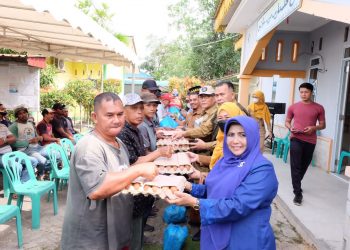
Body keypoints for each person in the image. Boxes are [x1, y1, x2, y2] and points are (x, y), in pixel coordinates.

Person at [61, 92, 158, 250]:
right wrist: (138, 170)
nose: (117, 120)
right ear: (94, 117)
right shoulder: (89, 146)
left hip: (116, 233)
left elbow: (122, 177)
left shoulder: (119, 142)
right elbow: (97, 189)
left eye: (120, 114)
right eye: (109, 115)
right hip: (91, 239)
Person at [168, 116, 278, 250]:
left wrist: (195, 203)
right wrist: (188, 186)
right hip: (216, 228)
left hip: (244, 238)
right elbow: (213, 189)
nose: (235, 141)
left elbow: (238, 205)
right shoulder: (225, 161)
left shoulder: (261, 169)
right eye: (231, 135)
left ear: (253, 136)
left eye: (243, 135)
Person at [117, 93, 172, 249]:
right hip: (131, 195)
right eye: (134, 108)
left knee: (138, 228)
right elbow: (134, 163)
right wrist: (159, 153)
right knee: (131, 235)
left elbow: (142, 156)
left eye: (141, 108)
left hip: (140, 192)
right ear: (124, 110)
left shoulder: (135, 129)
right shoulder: (123, 132)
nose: (140, 112)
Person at [285, 82, 325, 206]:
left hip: (310, 140)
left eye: (306, 92)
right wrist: (290, 128)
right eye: (301, 92)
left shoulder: (319, 108)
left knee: (304, 165)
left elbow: (323, 125)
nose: (303, 94)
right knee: (295, 166)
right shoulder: (293, 107)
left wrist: (313, 128)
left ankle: (297, 183)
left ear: (311, 92)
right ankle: (298, 193)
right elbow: (287, 121)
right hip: (296, 138)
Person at [9, 106, 49, 179]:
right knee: (42, 161)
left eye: (24, 112)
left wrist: (39, 138)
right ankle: (40, 175)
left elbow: (37, 136)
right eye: (20, 114)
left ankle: (40, 173)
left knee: (56, 155)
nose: (23, 115)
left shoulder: (30, 124)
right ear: (17, 116)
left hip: (37, 147)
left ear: (27, 113)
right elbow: (12, 144)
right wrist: (29, 141)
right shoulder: (14, 127)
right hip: (24, 150)